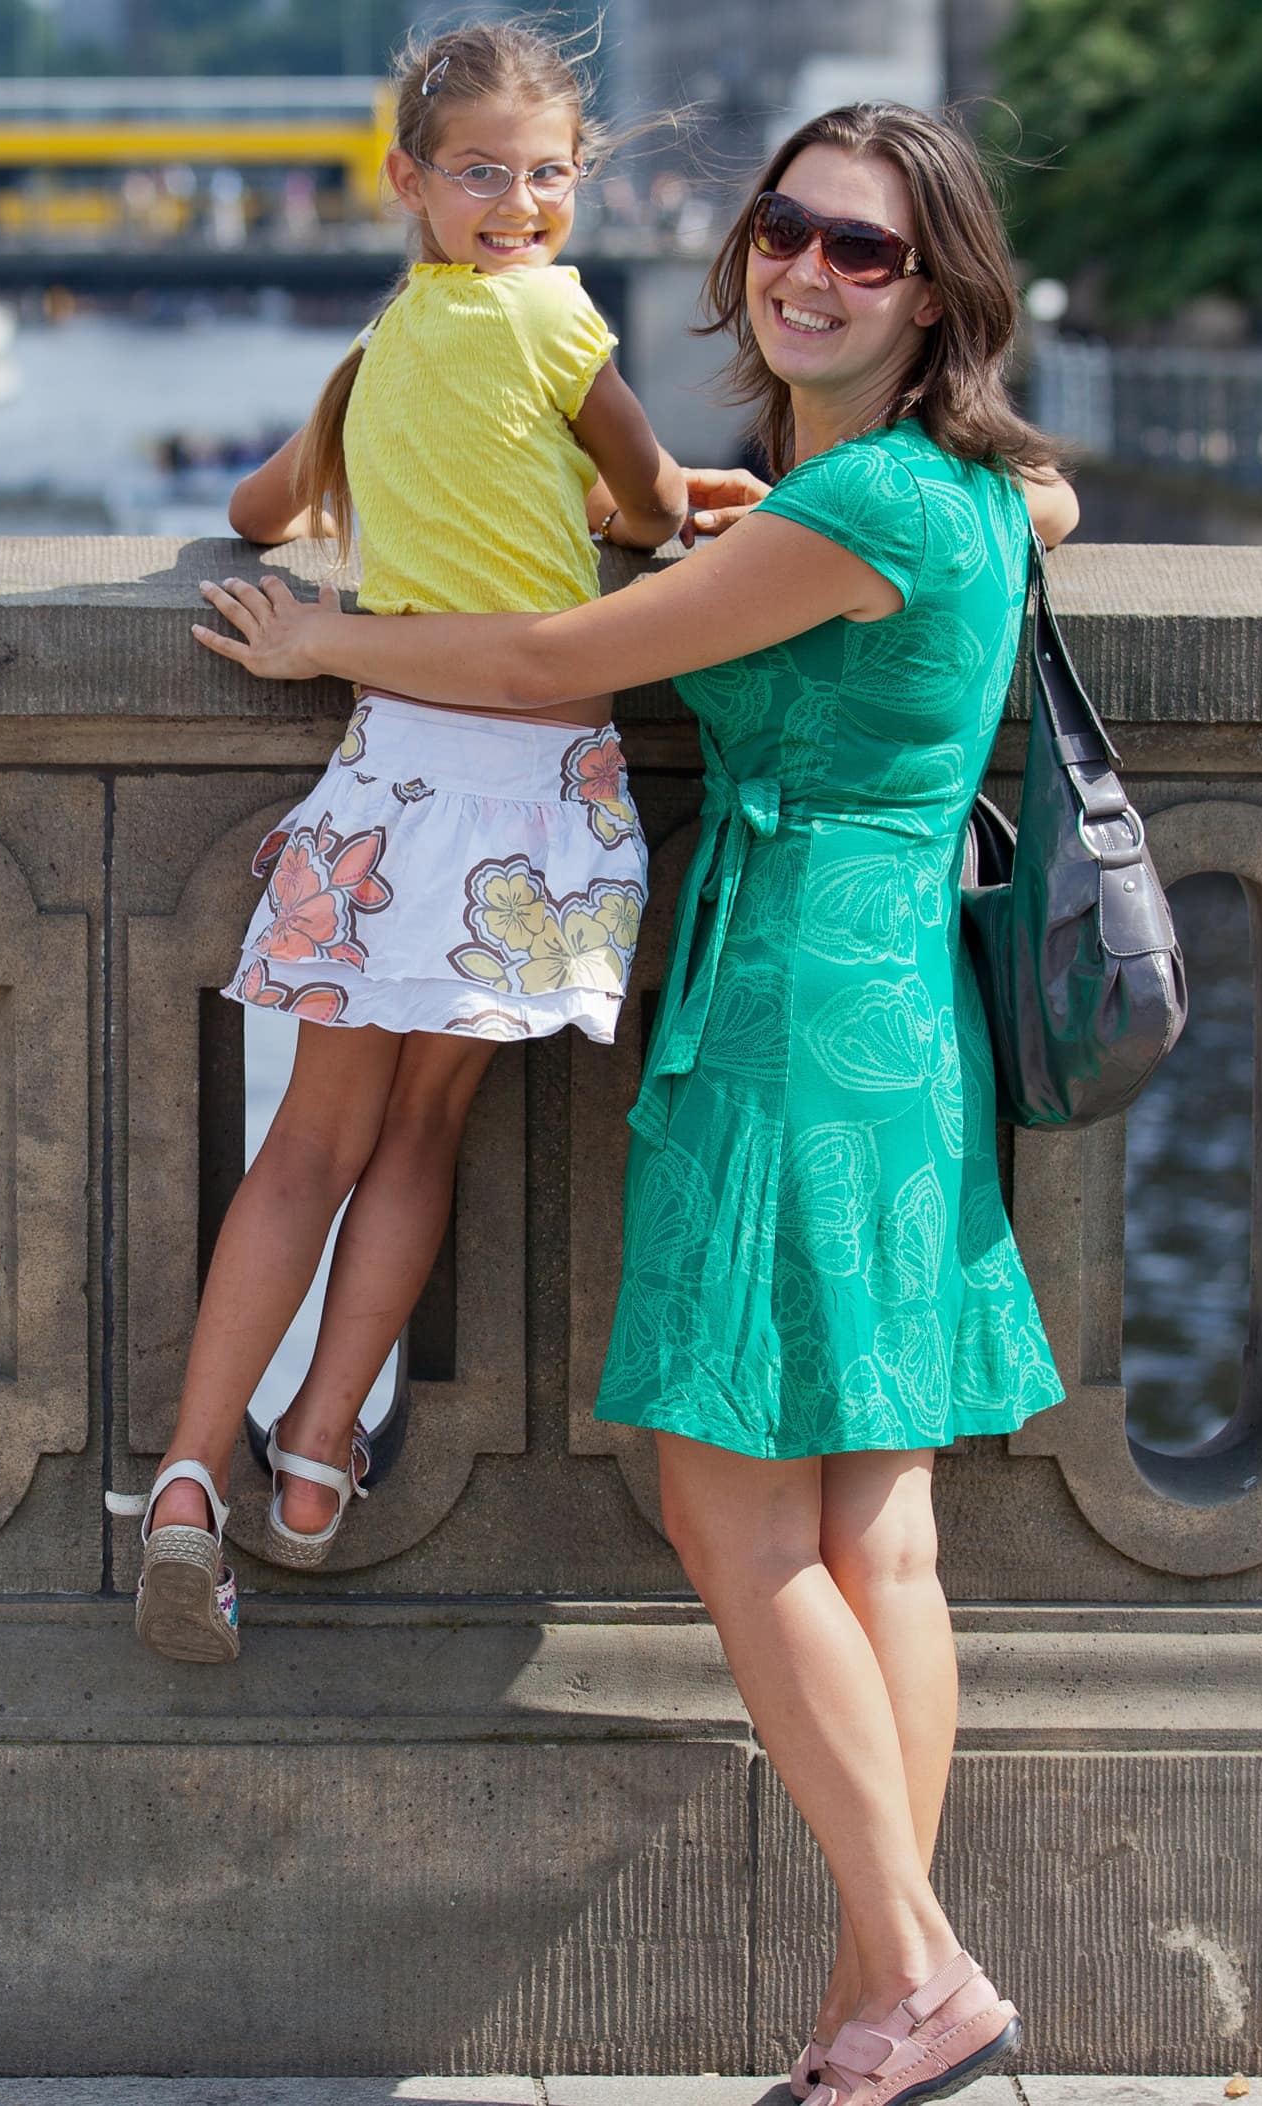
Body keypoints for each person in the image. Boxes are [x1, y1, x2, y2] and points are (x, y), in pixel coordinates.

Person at [189, 100, 1081, 2106]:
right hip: (901, 1024)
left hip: (787, 1015)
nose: (809, 270)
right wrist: (729, 501)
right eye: (789, 229)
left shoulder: (850, 514)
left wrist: (332, 639)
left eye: (864, 252)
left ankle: (924, 1973)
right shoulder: (936, 491)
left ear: (935, 292)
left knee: (729, 1500)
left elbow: (559, 656)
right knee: (879, 1535)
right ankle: (880, 2002)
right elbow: (1011, 512)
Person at [106, 18, 712, 1665]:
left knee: (306, 1143)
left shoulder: (379, 346)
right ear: (418, 178)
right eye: (484, 174)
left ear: (570, 177)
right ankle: (314, 1462)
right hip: (532, 799)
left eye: (540, 175)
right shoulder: (561, 315)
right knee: (421, 1137)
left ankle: (181, 1480)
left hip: (390, 782)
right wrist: (609, 503)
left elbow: (258, 515)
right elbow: (655, 507)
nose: (515, 204)